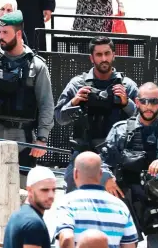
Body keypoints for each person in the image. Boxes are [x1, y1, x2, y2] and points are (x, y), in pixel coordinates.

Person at [0, 11, 54, 189]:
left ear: (19, 34)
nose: (1, 37)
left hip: (21, 139)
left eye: (5, 33)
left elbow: (46, 103)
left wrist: (42, 138)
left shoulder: (37, 66)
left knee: (20, 192)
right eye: (0, 32)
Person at [101, 82, 158, 247]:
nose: (148, 106)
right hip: (125, 200)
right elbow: (103, 162)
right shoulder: (120, 130)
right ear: (136, 102)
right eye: (144, 101)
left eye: (154, 101)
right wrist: (107, 178)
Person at [54, 36, 139, 193]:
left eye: (107, 53)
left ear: (114, 55)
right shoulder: (77, 84)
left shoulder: (127, 86)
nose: (104, 58)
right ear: (91, 58)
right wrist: (74, 102)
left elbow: (143, 120)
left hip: (116, 159)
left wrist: (126, 103)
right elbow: (59, 117)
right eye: (99, 55)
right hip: (83, 156)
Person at [54, 152, 138, 248]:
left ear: (75, 173)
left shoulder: (67, 202)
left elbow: (67, 237)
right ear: (101, 174)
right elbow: (130, 246)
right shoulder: (121, 207)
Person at [3, 166, 56, 248]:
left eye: (53, 190)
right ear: (30, 190)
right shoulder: (33, 223)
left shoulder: (16, 216)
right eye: (44, 190)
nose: (51, 195)